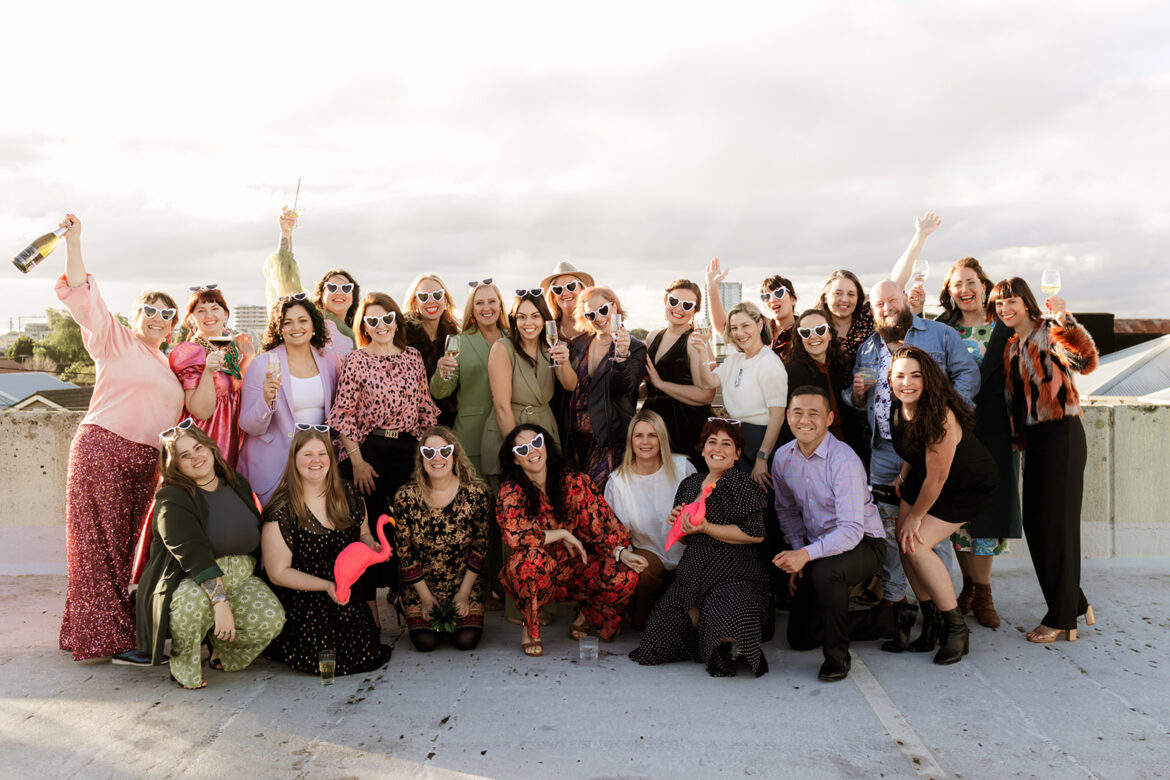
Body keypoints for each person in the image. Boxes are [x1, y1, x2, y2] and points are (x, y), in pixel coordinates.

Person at [53, 214, 185, 664]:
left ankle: (88, 631)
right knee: (99, 546)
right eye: (150, 309)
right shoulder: (115, 339)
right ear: (136, 314)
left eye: (168, 314)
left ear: (174, 325)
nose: (158, 318)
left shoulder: (169, 365)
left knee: (125, 549)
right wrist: (75, 242)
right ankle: (111, 639)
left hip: (147, 461)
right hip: (103, 448)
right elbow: (84, 297)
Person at [771, 387, 917, 682]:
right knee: (800, 637)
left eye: (814, 413)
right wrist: (799, 551)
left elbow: (851, 530)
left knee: (826, 573)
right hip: (819, 545)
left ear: (829, 419)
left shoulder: (843, 459)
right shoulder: (783, 458)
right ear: (788, 417)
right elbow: (785, 511)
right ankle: (891, 620)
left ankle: (837, 656)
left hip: (865, 543)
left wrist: (805, 556)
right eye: (798, 412)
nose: (805, 420)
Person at [850, 280, 979, 607]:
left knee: (929, 534)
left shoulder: (940, 335)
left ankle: (940, 606)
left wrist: (941, 416)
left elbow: (969, 376)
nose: (886, 307)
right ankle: (895, 601)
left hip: (928, 451)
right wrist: (857, 392)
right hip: (884, 453)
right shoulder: (868, 347)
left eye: (892, 299)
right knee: (891, 533)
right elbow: (856, 399)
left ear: (905, 299)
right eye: (879, 304)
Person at [990, 278, 1099, 643]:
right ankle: (1076, 601)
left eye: (1011, 302)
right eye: (999, 304)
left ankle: (1062, 617)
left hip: (1062, 434)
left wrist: (1065, 320)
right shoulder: (1011, 347)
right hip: (1035, 442)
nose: (1005, 309)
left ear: (1027, 302)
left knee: (1058, 526)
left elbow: (1084, 361)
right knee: (1037, 525)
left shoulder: (1047, 331)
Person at [136, 423, 285, 689]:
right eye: (184, 455)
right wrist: (220, 602)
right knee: (190, 608)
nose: (196, 457)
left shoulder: (236, 482)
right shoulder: (171, 498)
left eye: (198, 447)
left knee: (271, 618)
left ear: (210, 448)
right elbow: (192, 553)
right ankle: (184, 663)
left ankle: (222, 651)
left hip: (241, 574)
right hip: (192, 578)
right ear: (175, 465)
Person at [630, 418, 772, 678]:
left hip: (734, 576)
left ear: (737, 453)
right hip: (693, 578)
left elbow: (756, 535)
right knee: (654, 642)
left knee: (731, 622)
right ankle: (710, 631)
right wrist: (680, 526)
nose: (718, 448)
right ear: (703, 448)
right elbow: (685, 539)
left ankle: (718, 634)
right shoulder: (690, 484)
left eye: (726, 444)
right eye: (712, 442)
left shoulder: (742, 484)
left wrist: (707, 528)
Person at [887, 347, 999, 664]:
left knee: (918, 543)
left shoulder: (939, 415)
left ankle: (955, 628)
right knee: (903, 540)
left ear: (928, 379)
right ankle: (932, 619)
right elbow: (914, 447)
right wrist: (903, 473)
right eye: (899, 376)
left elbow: (938, 479)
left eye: (915, 375)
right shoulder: (900, 406)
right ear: (890, 380)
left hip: (965, 484)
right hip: (925, 474)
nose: (906, 382)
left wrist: (916, 517)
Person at [931, 258, 1022, 628]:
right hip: (952, 436)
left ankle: (983, 594)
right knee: (959, 516)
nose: (964, 290)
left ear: (984, 286)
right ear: (949, 292)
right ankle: (967, 589)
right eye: (957, 285)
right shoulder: (940, 328)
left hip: (996, 433)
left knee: (989, 519)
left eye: (971, 282)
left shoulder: (1004, 325)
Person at [497, 425, 640, 657]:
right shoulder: (512, 491)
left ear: (545, 445)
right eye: (522, 449)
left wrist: (621, 552)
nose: (531, 451)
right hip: (537, 573)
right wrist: (562, 534)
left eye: (535, 443)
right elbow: (515, 535)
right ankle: (530, 628)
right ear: (514, 459)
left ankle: (585, 615)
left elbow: (600, 522)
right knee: (529, 560)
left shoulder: (573, 482)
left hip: (575, 568)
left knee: (626, 575)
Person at [262, 428, 393, 675]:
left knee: (364, 649)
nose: (316, 461)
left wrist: (371, 547)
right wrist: (325, 586)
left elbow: (363, 533)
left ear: (331, 458)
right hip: (303, 595)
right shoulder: (281, 510)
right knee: (325, 657)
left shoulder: (349, 494)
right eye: (307, 454)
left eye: (322, 454)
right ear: (294, 460)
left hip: (344, 591)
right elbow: (278, 573)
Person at [394, 427, 491, 652]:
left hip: (464, 583)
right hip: (422, 585)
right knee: (426, 643)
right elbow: (405, 554)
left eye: (444, 451)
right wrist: (425, 598)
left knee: (466, 640)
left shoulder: (477, 495)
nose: (437, 458)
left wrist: (464, 594)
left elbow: (480, 548)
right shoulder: (406, 497)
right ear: (421, 459)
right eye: (429, 453)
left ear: (455, 454)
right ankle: (404, 602)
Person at [238, 295, 340, 507]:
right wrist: (266, 400)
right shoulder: (262, 364)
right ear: (279, 329)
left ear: (313, 324)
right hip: (274, 467)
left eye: (303, 320)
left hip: (315, 466)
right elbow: (249, 426)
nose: (296, 327)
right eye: (288, 322)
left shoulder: (330, 360)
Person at [604, 410, 697, 629]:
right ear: (631, 440)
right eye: (639, 436)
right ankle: (640, 612)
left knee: (691, 621)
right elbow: (612, 533)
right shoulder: (618, 482)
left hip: (686, 553)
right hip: (649, 555)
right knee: (642, 567)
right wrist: (624, 555)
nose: (645, 442)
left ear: (661, 438)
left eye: (652, 435)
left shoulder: (683, 468)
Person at [692, 301, 787, 487]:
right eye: (734, 328)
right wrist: (702, 350)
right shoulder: (735, 359)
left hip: (760, 443)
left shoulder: (770, 363)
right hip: (736, 439)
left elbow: (778, 416)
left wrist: (762, 458)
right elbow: (708, 382)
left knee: (759, 503)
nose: (739, 333)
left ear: (760, 325)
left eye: (745, 326)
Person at [480, 291, 573, 480]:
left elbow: (570, 385)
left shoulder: (551, 347)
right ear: (514, 321)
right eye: (522, 317)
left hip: (544, 430)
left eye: (535, 316)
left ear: (545, 320)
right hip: (509, 430)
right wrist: (519, 449)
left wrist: (564, 361)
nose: (528, 323)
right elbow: (501, 406)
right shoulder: (502, 348)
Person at [564, 286, 647, 488]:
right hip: (574, 442)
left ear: (614, 306)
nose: (598, 318)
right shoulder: (577, 345)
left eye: (602, 310)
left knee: (600, 501)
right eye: (590, 314)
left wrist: (622, 356)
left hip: (608, 441)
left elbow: (625, 388)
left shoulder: (635, 347)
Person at [168, 285, 254, 466]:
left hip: (232, 434)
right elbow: (199, 410)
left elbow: (237, 389)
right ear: (191, 318)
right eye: (201, 310)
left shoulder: (227, 345)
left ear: (225, 314)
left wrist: (248, 357)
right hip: (206, 438)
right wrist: (208, 371)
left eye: (215, 308)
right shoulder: (190, 352)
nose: (209, 316)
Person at [431, 279, 508, 475]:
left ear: (500, 304)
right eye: (479, 303)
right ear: (471, 309)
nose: (486, 308)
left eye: (492, 301)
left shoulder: (514, 337)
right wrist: (442, 373)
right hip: (473, 434)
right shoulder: (459, 342)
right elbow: (440, 393)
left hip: (511, 429)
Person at [263, 207, 359, 355]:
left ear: (353, 296)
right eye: (332, 287)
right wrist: (286, 233)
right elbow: (287, 277)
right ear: (321, 294)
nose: (339, 292)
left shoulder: (362, 329)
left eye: (346, 288)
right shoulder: (309, 320)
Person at [781, 308, 868, 465]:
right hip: (814, 456)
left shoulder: (839, 365)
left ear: (830, 334)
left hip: (846, 450)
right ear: (800, 338)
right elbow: (791, 425)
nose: (813, 336)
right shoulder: (793, 373)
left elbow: (850, 417)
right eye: (806, 332)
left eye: (820, 330)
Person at [642, 279, 716, 464]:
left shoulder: (694, 342)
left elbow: (706, 395)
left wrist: (661, 384)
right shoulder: (653, 336)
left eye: (687, 305)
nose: (679, 309)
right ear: (666, 301)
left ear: (695, 311)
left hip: (686, 426)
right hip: (655, 425)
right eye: (674, 301)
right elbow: (652, 383)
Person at [706, 259, 798, 360]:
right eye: (766, 296)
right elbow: (723, 329)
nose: (772, 300)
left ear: (793, 299)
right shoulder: (761, 328)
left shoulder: (805, 330)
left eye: (779, 293)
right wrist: (712, 287)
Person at [402, 273, 461, 427]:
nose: (431, 301)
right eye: (423, 296)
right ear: (415, 302)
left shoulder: (455, 336)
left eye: (437, 295)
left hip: (449, 422)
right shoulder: (401, 336)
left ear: (445, 300)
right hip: (412, 423)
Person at [818, 269, 874, 365]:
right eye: (837, 293)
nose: (844, 299)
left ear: (857, 298)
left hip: (866, 379)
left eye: (851, 294)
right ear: (825, 298)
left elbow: (894, 282)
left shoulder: (867, 318)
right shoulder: (815, 326)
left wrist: (866, 377)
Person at [541, 261, 595, 342]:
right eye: (558, 289)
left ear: (582, 289)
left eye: (571, 286)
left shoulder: (597, 324)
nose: (565, 293)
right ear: (553, 296)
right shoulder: (547, 330)